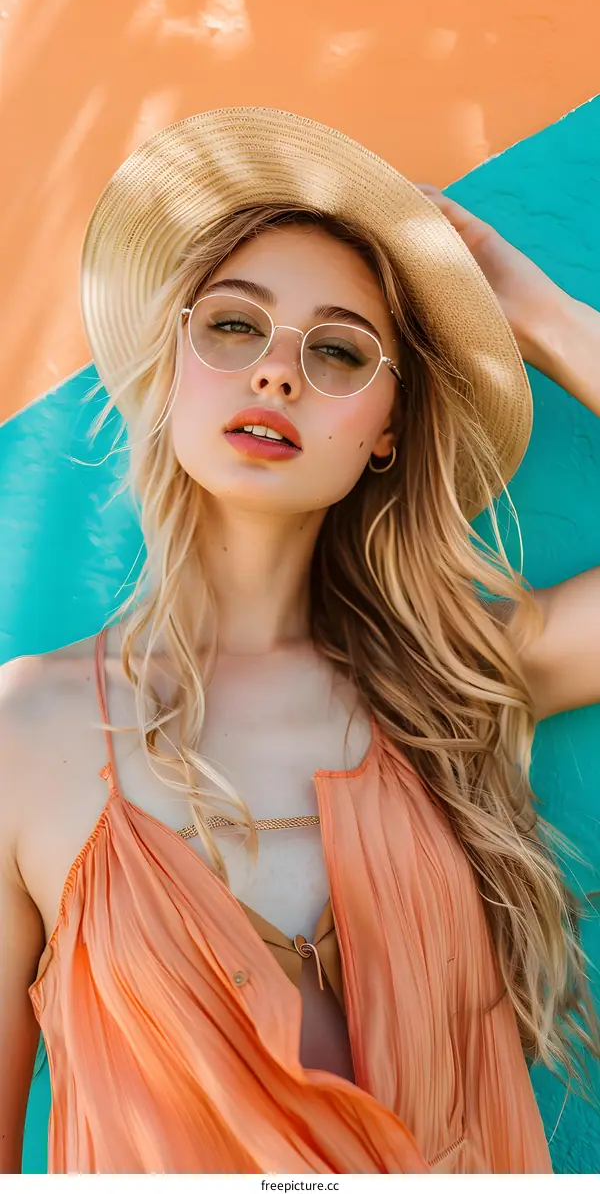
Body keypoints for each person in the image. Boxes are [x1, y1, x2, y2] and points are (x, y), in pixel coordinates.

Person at [1, 107, 599, 1176]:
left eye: (338, 349)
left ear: (386, 431)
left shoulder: (451, 682)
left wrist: (537, 313)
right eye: (233, 326)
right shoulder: (20, 730)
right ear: (170, 365)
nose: (277, 372)